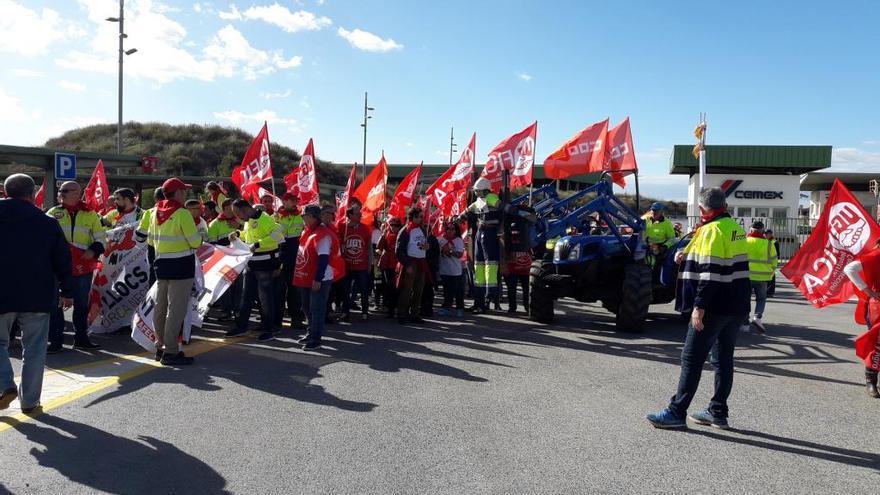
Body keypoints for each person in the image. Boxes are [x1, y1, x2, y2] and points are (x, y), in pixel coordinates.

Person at [647, 187, 750, 429]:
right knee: (724, 360)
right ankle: (718, 412)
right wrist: (688, 253)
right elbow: (723, 260)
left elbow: (711, 272)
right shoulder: (734, 228)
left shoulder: (711, 231)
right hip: (736, 305)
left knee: (691, 358)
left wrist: (699, 306)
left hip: (714, 305)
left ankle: (676, 412)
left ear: (703, 209)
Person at [0, 174, 74, 413]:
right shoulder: (48, 222)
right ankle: (30, 402)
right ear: (32, 195)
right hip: (38, 295)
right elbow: (62, 260)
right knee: (34, 349)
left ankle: (4, 384)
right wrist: (67, 291)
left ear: (5, 192)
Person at [46, 180, 106, 352]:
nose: (61, 193)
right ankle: (55, 341)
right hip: (57, 266)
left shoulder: (90, 214)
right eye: (61, 190)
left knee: (81, 304)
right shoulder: (52, 212)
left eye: (65, 190)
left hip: (82, 267)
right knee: (55, 304)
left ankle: (81, 338)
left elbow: (101, 238)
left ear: (76, 193)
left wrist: (94, 250)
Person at [149, 178, 203, 366]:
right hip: (181, 266)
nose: (186, 193)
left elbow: (150, 241)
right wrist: (201, 238)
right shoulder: (182, 213)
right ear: (177, 192)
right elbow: (195, 242)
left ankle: (160, 346)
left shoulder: (154, 211)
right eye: (184, 190)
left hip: (161, 264)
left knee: (160, 307)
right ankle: (171, 351)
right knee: (176, 309)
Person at [462, 178, 534, 314]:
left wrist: (521, 213)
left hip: (489, 233)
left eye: (479, 191)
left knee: (490, 265)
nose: (477, 193)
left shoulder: (491, 198)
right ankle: (480, 299)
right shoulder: (479, 201)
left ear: (485, 190)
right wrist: (459, 217)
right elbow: (468, 211)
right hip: (480, 234)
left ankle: (488, 296)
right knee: (479, 265)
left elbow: (506, 207)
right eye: (476, 191)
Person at [227, 199, 284, 341]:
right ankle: (241, 326)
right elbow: (248, 236)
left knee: (265, 299)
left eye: (237, 213)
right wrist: (238, 235)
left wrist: (258, 244)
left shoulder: (266, 219)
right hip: (251, 265)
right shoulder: (248, 220)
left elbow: (278, 236)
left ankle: (269, 329)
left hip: (265, 265)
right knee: (246, 297)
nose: (238, 217)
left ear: (244, 210)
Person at [293, 205, 345, 350]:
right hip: (306, 275)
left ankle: (315, 339)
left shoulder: (322, 234)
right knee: (306, 306)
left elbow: (323, 258)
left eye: (305, 216)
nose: (303, 218)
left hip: (319, 277)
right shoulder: (308, 232)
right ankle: (310, 333)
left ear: (313, 217)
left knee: (316, 308)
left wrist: (318, 279)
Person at [843, 241, 880, 398]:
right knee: (877, 343)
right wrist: (867, 290)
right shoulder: (876, 255)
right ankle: (871, 380)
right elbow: (849, 269)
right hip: (878, 306)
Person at [207, 198, 243, 320]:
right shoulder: (214, 224)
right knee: (225, 287)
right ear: (224, 209)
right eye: (231, 207)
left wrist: (239, 226)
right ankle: (226, 311)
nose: (234, 210)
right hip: (224, 260)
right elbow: (212, 245)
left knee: (238, 286)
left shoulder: (240, 221)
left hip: (239, 259)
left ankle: (237, 310)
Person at [274, 193, 305, 329]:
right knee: (279, 290)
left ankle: (296, 319)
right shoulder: (275, 217)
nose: (294, 203)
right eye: (291, 200)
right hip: (280, 256)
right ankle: (277, 320)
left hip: (296, 256)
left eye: (295, 201)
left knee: (295, 290)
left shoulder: (301, 217)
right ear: (284, 201)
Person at [395, 208, 429, 324]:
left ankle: (415, 314)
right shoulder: (405, 230)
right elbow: (399, 250)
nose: (421, 218)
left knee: (419, 290)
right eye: (419, 216)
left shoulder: (422, 230)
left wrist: (426, 247)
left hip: (421, 262)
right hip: (411, 263)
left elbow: (421, 245)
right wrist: (407, 264)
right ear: (413, 217)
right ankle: (402, 314)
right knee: (407, 290)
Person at [744, 220, 778, 334]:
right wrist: (771, 273)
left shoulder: (745, 241)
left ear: (751, 229)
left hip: (746, 276)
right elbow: (774, 261)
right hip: (763, 277)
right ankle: (757, 318)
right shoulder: (769, 244)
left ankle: (744, 321)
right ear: (762, 230)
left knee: (745, 298)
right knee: (761, 299)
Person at [340, 207, 372, 321]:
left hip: (361, 266)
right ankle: (345, 312)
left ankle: (364, 311)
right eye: (357, 214)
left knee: (363, 289)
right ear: (350, 216)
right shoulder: (342, 227)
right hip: (347, 266)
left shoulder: (365, 228)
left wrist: (370, 264)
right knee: (345, 290)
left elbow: (368, 248)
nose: (360, 216)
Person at [136, 187, 165, 287]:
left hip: (154, 250)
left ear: (156, 199)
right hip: (175, 253)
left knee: (154, 279)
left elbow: (140, 237)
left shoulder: (150, 212)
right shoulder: (179, 212)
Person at [437, 221, 465, 317]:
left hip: (455, 271)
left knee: (458, 291)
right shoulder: (440, 240)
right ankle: (446, 307)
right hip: (445, 270)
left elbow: (460, 254)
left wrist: (450, 251)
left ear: (456, 230)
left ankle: (459, 308)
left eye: (452, 229)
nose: (449, 231)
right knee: (447, 291)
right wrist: (442, 250)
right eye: (448, 228)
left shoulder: (458, 240)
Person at [377, 217, 402, 318]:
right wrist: (383, 234)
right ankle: (390, 309)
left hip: (397, 265)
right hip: (387, 265)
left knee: (397, 288)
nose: (393, 227)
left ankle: (396, 308)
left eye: (396, 225)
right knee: (388, 287)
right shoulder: (386, 234)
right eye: (392, 225)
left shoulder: (402, 235)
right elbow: (379, 247)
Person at [505, 249, 532, 314]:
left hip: (525, 269)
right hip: (513, 269)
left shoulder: (526, 239)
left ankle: (527, 306)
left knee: (526, 290)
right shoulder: (509, 240)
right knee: (512, 289)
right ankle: (512, 307)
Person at [764, 229, 779, 297]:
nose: (767, 235)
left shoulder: (774, 242)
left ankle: (770, 292)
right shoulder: (763, 241)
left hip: (770, 262)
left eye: (769, 234)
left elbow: (777, 254)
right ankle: (765, 291)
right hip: (764, 262)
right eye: (766, 234)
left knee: (772, 278)